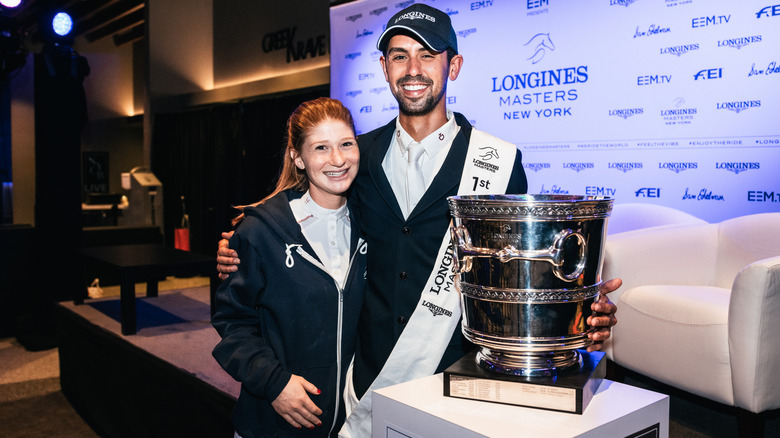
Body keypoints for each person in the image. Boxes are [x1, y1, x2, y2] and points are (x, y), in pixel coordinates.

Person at [217, 4, 619, 436]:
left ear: (455, 65)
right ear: (385, 68)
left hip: (453, 375)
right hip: (363, 377)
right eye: (399, 55)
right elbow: (296, 218)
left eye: (428, 55)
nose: (413, 68)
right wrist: (237, 245)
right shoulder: (356, 156)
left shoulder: (498, 162)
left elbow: (523, 269)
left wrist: (579, 314)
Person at [211, 97, 368, 438]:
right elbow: (233, 322)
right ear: (298, 157)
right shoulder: (260, 232)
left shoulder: (372, 225)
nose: (338, 159)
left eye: (346, 144)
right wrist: (274, 383)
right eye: (321, 148)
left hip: (350, 424)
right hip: (276, 423)